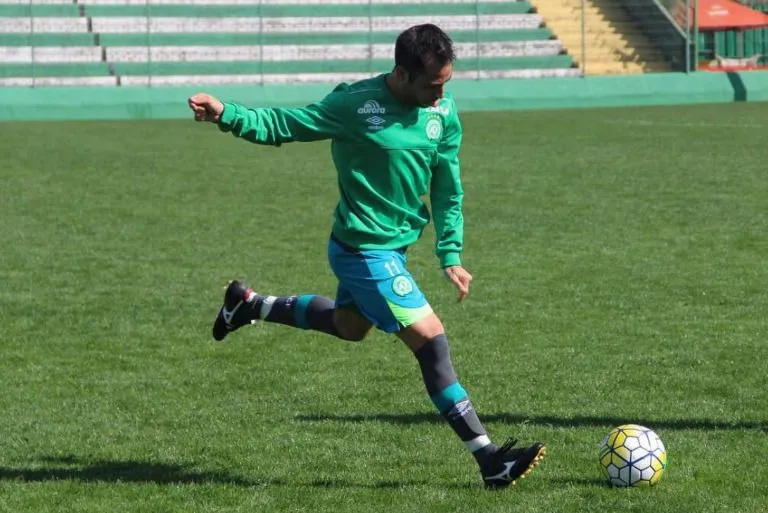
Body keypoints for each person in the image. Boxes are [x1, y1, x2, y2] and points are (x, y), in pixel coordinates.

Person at [188, 23, 545, 489]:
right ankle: (489, 460)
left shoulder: (442, 112)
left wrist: (450, 253)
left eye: (447, 83)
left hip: (393, 248)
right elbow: (285, 124)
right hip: (363, 252)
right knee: (432, 342)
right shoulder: (356, 104)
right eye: (433, 85)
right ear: (402, 74)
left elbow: (446, 185)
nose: (441, 94)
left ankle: (248, 305)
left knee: (348, 327)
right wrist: (226, 114)